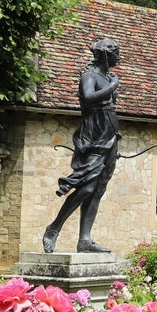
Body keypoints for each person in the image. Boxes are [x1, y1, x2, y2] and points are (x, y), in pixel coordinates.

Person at [42, 38, 121, 254]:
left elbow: (108, 108)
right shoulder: (90, 76)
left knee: (98, 190)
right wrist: (113, 87)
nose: (119, 58)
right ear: (106, 55)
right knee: (86, 186)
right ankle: (53, 228)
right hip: (93, 137)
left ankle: (85, 239)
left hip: (110, 137)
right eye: (116, 54)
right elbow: (87, 98)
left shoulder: (106, 76)